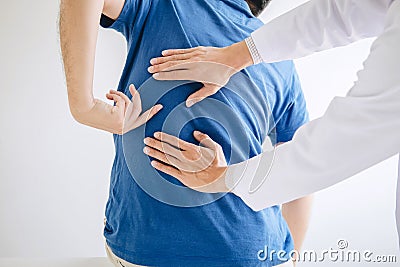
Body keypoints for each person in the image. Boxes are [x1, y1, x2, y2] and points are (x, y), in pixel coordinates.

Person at [59, 0, 313, 266]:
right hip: (258, 249)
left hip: (150, 246)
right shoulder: (276, 53)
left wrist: (83, 106)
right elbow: (303, 168)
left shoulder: (168, 6)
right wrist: (288, 258)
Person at [145, 0, 400, 246]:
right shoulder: (165, 9)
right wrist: (236, 55)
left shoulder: (283, 69)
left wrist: (224, 178)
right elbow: (343, 11)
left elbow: (355, 132)